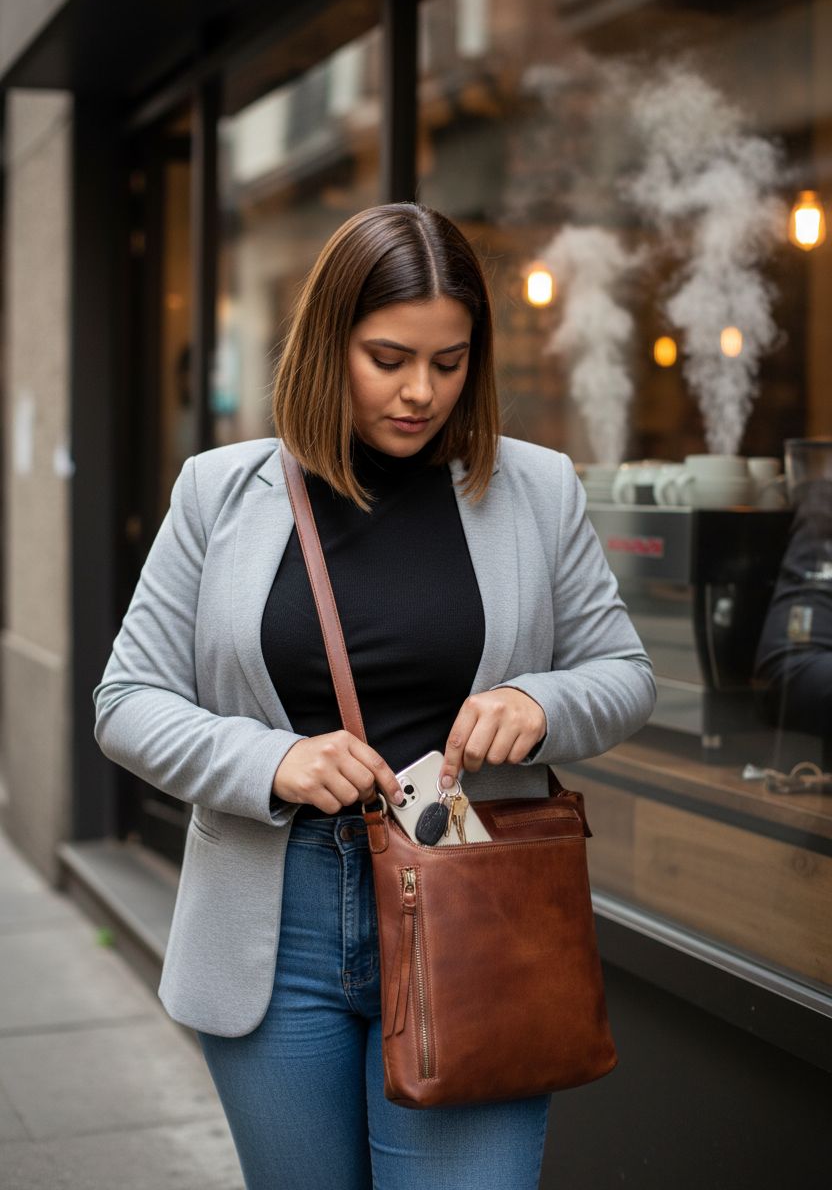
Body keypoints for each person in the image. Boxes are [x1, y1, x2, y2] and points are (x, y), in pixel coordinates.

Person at [92, 201, 656, 1190]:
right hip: (277, 928)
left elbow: (623, 674)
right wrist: (272, 760)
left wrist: (538, 702)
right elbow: (127, 699)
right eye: (388, 358)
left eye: (449, 362)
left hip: (471, 909)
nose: (421, 392)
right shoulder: (217, 493)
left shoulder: (538, 488)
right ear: (326, 345)